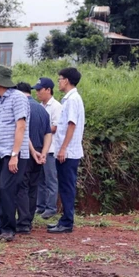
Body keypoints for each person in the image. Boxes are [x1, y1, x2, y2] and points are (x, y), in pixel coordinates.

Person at [0, 65, 29, 242]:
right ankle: (1, 228)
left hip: (13, 153)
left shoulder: (18, 98)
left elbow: (21, 126)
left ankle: (9, 229)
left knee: (7, 189)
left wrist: (14, 154)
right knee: (0, 191)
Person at [48, 67, 85, 234]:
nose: (59, 82)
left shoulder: (71, 100)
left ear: (67, 80)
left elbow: (71, 124)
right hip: (68, 150)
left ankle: (67, 222)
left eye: (60, 79)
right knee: (65, 186)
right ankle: (65, 219)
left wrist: (63, 148)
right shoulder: (70, 99)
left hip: (68, 152)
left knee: (67, 186)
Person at [14, 82, 51, 234]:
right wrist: (44, 152)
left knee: (22, 186)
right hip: (39, 151)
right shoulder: (42, 109)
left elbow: (22, 131)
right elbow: (48, 133)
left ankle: (22, 223)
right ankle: (28, 221)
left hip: (25, 151)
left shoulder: (23, 108)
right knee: (33, 186)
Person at [33, 77, 61, 219]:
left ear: (48, 90)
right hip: (40, 148)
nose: (37, 93)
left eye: (39, 90)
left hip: (50, 149)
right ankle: (40, 206)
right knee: (40, 179)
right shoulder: (40, 106)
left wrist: (40, 129)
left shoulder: (55, 106)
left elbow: (55, 127)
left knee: (50, 179)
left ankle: (51, 208)